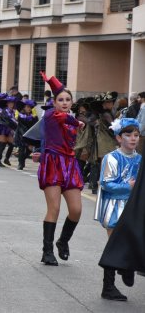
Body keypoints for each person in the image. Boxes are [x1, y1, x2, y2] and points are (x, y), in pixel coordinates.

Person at [36, 72, 85, 266]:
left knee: (76, 210)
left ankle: (62, 241)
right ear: (54, 102)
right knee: (54, 208)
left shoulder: (71, 118)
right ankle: (47, 251)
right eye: (60, 99)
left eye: (67, 100)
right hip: (53, 164)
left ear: (72, 102)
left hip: (70, 165)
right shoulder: (50, 114)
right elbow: (60, 121)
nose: (64, 103)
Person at [94, 118, 141, 301]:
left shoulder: (140, 159)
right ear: (119, 138)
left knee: (132, 240)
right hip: (114, 206)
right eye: (128, 135)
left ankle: (126, 267)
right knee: (114, 245)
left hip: (133, 206)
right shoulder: (111, 157)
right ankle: (108, 286)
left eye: (136, 135)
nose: (133, 138)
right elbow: (106, 184)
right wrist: (128, 186)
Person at [15, 99, 38, 170]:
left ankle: (23, 159)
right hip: (22, 134)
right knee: (21, 149)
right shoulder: (20, 116)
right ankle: (20, 164)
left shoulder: (34, 117)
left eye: (30, 107)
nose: (29, 108)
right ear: (24, 107)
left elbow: (36, 125)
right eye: (27, 107)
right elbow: (22, 126)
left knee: (30, 149)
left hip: (30, 135)